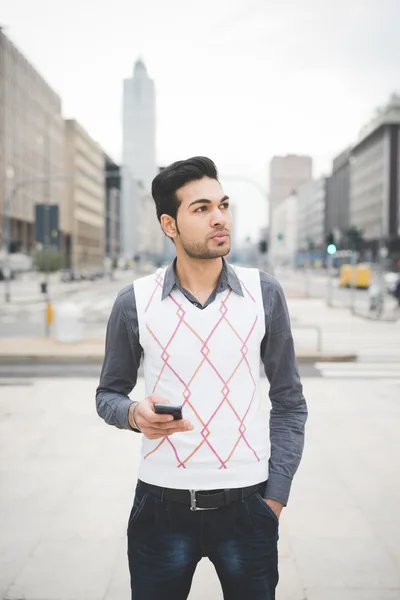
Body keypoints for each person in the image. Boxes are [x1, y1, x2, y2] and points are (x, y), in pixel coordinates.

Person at [96, 157, 308, 600]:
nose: (219, 218)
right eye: (201, 208)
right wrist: (134, 414)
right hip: (160, 507)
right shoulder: (133, 302)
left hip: (249, 506)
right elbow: (108, 395)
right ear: (169, 225)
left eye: (223, 205)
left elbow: (290, 401)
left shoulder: (263, 292)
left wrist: (275, 498)